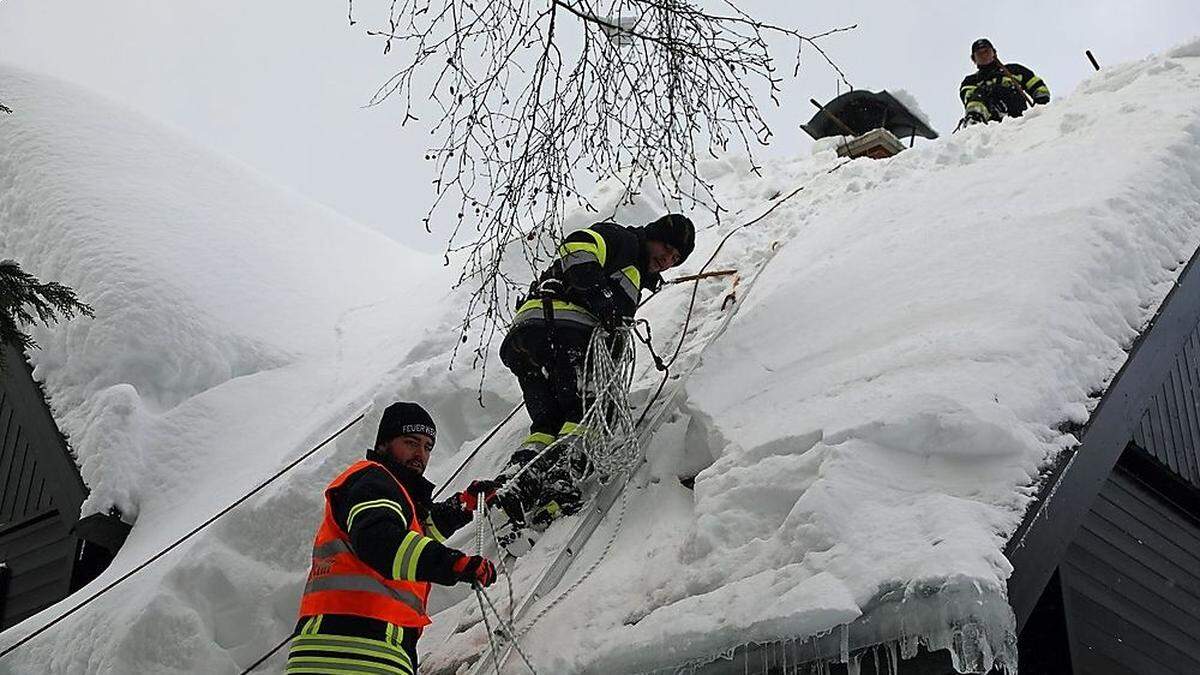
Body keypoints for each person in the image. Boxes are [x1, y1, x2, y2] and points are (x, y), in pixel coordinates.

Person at [495, 214, 695, 527]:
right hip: (564, 329)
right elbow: (577, 246)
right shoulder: (625, 241)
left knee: (549, 421)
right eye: (666, 248)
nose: (666, 260)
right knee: (593, 408)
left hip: (526, 338)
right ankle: (563, 478)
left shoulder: (633, 269)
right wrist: (602, 301)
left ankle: (521, 478)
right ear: (651, 235)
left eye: (674, 258)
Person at [287, 401, 499, 675]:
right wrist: (453, 564)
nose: (420, 454)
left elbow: (412, 534)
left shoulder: (389, 490)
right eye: (411, 442)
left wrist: (462, 506)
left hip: (353, 645)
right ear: (384, 444)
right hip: (353, 648)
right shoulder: (373, 480)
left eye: (427, 447)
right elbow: (382, 543)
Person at [960, 38, 1050, 125]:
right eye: (979, 54)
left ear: (994, 53)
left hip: (1017, 114)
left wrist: (1041, 102)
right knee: (978, 94)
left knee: (1003, 89)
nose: (984, 56)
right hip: (991, 120)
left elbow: (1035, 84)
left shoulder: (1013, 70)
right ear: (973, 59)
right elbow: (968, 97)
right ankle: (974, 120)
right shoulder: (971, 81)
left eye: (987, 51)